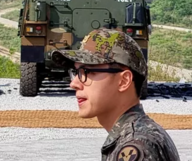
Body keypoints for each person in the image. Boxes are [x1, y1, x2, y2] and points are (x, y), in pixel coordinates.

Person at [52, 28, 180, 161]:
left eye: (88, 72)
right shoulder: (135, 135)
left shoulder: (138, 144)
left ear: (124, 81)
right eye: (75, 72)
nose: (74, 83)